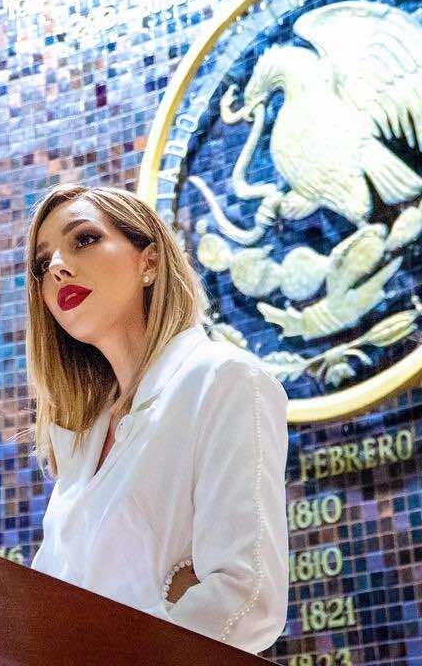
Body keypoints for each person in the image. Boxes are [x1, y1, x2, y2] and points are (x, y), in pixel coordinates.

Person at [24, 182, 290, 654]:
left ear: (148, 262)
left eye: (84, 239)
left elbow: (247, 599)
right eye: (43, 264)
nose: (58, 268)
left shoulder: (222, 379)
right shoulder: (85, 438)